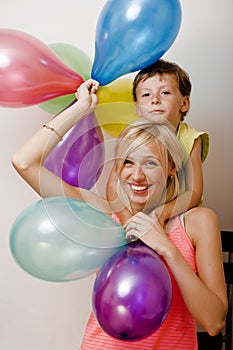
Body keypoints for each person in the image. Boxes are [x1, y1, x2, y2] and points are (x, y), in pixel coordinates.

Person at [11, 79, 227, 350]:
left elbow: (214, 321)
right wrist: (82, 109)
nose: (136, 176)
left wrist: (166, 247)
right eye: (127, 162)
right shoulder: (102, 214)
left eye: (150, 163)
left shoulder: (197, 222)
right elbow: (24, 162)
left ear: (172, 168)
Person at [107, 59, 209, 227]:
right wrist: (128, 221)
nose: (155, 100)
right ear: (138, 108)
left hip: (176, 214)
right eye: (146, 94)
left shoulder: (191, 138)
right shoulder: (133, 137)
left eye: (165, 93)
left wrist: (160, 215)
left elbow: (194, 192)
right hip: (136, 211)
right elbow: (112, 187)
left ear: (184, 103)